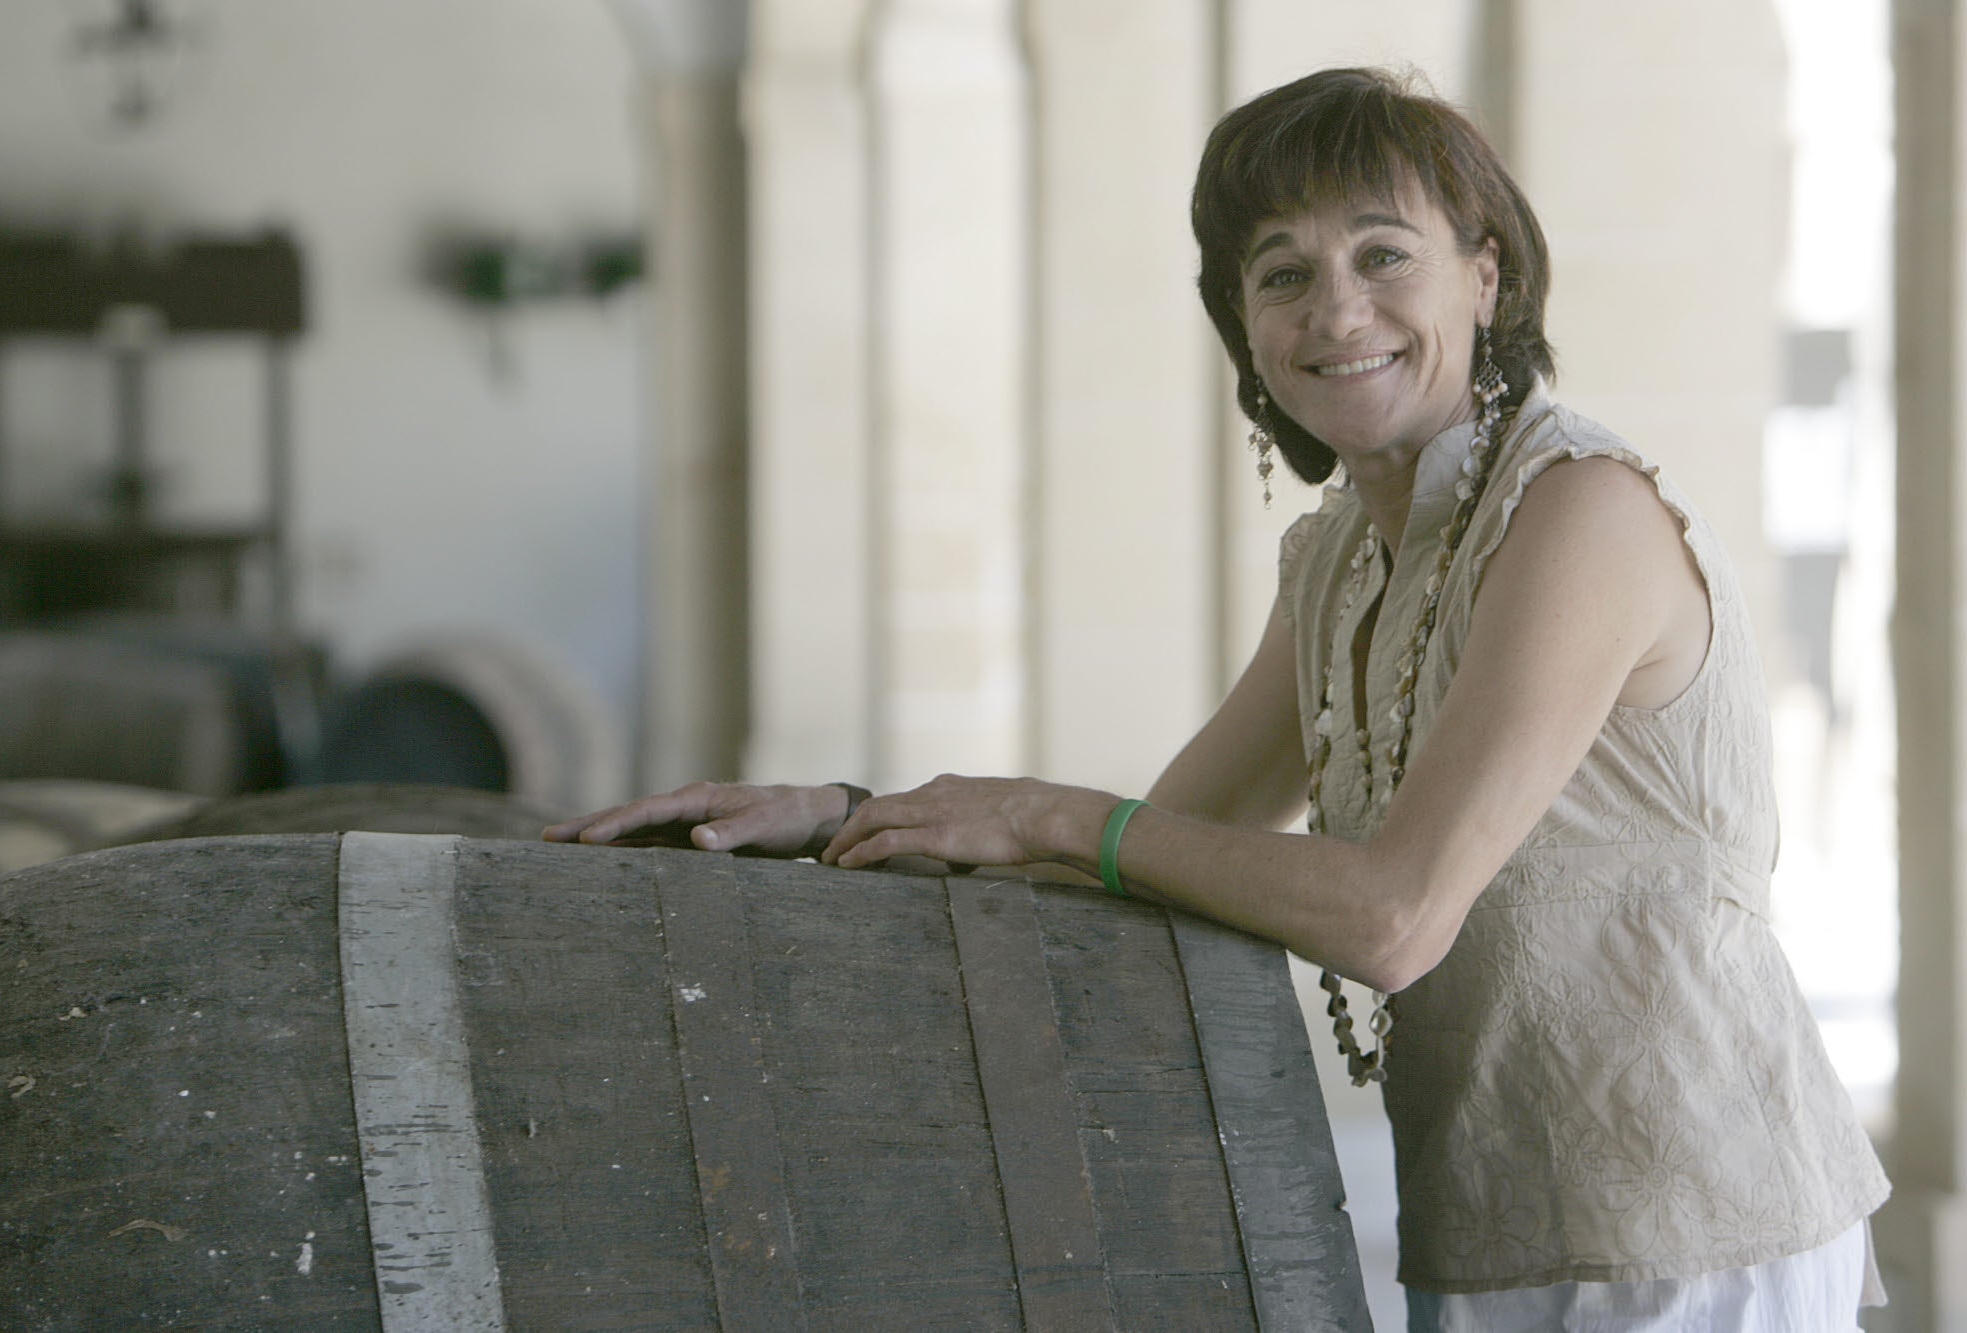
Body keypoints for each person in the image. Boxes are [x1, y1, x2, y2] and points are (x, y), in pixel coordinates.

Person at [547, 66, 1890, 1331]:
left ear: (1484, 276)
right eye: (1282, 273)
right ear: (1242, 326)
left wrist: (1038, 808)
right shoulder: (1337, 559)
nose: (1336, 311)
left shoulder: (1582, 510)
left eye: (1382, 255)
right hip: (1489, 1228)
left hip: (1702, 1238)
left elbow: (1395, 912)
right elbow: (1141, 859)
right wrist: (851, 821)